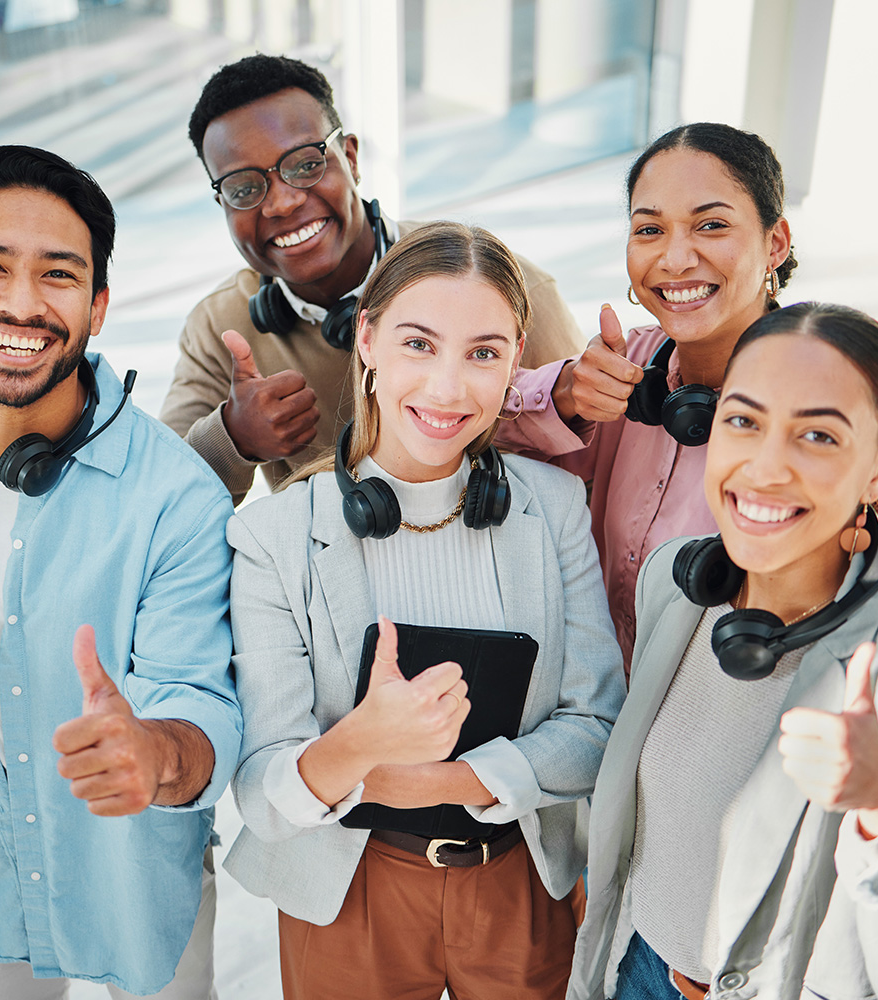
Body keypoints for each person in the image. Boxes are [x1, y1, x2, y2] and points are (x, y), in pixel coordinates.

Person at [223, 221, 625, 999]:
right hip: (346, 886)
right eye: (418, 343)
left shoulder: (555, 506)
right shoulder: (274, 535)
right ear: (366, 339)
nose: (448, 389)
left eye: (484, 352)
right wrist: (355, 749)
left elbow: (597, 730)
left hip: (518, 881)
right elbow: (260, 793)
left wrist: (440, 781)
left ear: (516, 362)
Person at [0, 145, 241, 999]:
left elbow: (199, 696)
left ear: (98, 307)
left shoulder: (178, 497)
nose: (22, 303)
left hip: (133, 886)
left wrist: (157, 751)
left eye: (58, 275)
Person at [569, 302, 878, 1000]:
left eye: (817, 435)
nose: (765, 468)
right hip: (641, 970)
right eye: (743, 420)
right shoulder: (678, 580)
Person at [494, 122, 878, 670]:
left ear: (775, 243)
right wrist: (564, 393)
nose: (675, 259)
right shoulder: (626, 370)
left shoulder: (826, 398)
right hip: (586, 693)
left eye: (711, 225)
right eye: (649, 231)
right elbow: (464, 431)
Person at [158, 52, 585, 504]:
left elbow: (592, 468)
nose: (281, 203)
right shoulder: (219, 326)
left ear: (352, 158)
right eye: (243, 188)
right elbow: (155, 498)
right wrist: (234, 440)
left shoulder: (506, 292)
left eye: (305, 164)